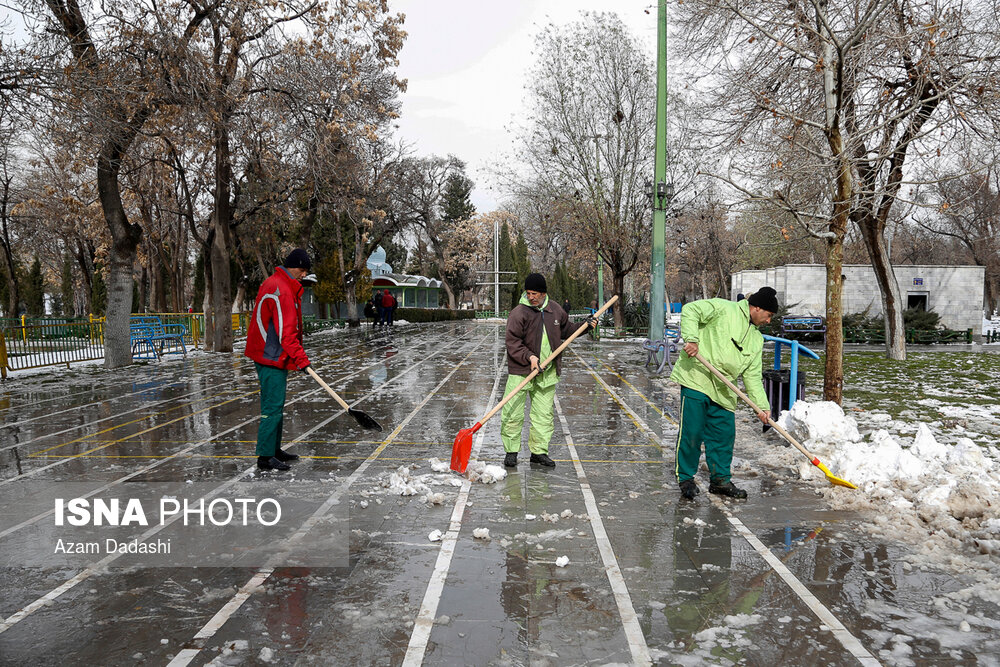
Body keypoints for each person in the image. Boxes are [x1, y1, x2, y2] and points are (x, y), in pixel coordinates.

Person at [669, 286, 777, 499]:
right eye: (769, 315)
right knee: (692, 432)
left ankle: (720, 480)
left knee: (723, 435)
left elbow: (752, 376)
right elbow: (690, 310)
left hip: (725, 388)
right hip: (697, 377)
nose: (769, 320)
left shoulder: (756, 339)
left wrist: (761, 406)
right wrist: (692, 339)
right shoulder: (723, 308)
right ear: (757, 307)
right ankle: (686, 479)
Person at [501, 273, 593, 468]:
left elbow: (567, 331)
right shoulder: (519, 313)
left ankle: (539, 452)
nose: (531, 297)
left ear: (543, 293)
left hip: (547, 371)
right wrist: (530, 357)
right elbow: (512, 342)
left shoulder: (555, 310)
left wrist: (586, 326)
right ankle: (511, 452)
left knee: (543, 415)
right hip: (521, 371)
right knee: (512, 412)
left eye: (534, 293)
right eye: (528, 293)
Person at [244, 248, 313, 471]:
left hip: (271, 353)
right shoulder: (281, 289)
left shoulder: (279, 284)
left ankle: (273, 449)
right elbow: (287, 333)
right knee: (272, 406)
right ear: (293, 266)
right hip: (270, 355)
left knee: (276, 404)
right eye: (303, 269)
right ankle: (265, 457)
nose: (304, 274)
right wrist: (302, 360)